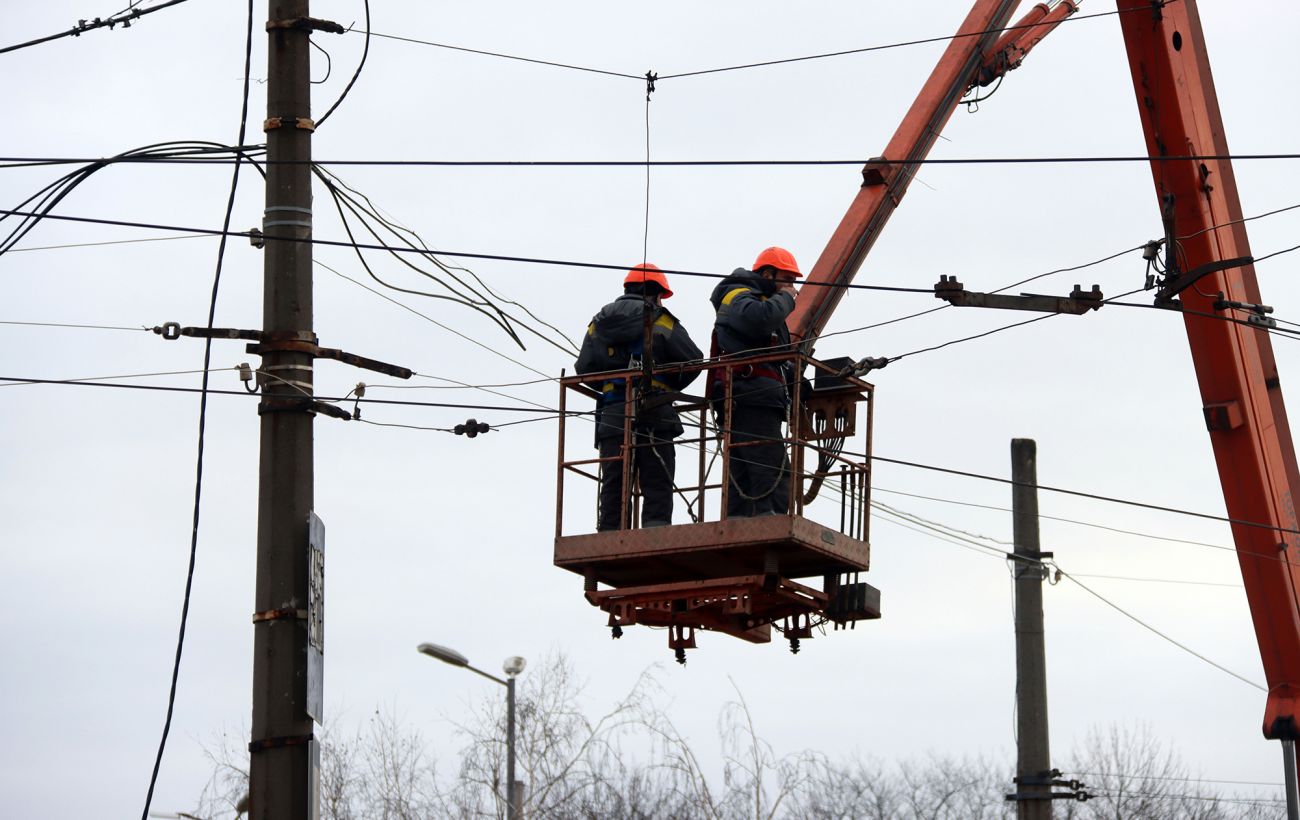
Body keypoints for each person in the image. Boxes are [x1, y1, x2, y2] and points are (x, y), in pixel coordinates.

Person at [576, 264, 702, 531]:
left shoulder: (597, 323)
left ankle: (610, 532)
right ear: (655, 293)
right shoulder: (660, 319)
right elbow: (693, 359)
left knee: (614, 478)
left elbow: (584, 369)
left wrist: (613, 385)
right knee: (657, 476)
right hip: (655, 410)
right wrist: (669, 385)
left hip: (613, 414)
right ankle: (655, 531)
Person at [709, 246, 802, 518]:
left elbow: (774, 354)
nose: (791, 287)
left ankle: (743, 522)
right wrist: (786, 298)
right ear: (767, 273)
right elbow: (757, 321)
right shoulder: (739, 294)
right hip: (750, 394)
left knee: (750, 465)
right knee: (769, 466)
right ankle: (768, 520)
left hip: (754, 394)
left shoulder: (760, 300)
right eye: (786, 279)